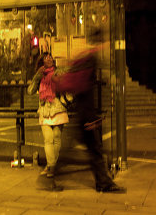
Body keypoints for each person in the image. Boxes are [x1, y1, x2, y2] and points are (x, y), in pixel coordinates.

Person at [56, 31, 126, 193]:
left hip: (85, 114)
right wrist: (90, 117)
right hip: (86, 116)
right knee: (94, 150)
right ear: (100, 42)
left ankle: (51, 175)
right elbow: (83, 87)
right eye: (106, 42)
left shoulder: (86, 57)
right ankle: (102, 183)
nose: (107, 45)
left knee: (84, 149)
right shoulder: (89, 58)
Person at [28, 52, 69, 191]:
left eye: (50, 57)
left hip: (58, 108)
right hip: (45, 110)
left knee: (57, 138)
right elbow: (30, 91)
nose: (49, 59)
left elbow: (66, 84)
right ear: (41, 62)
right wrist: (37, 76)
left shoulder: (58, 72)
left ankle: (50, 166)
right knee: (48, 139)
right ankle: (51, 166)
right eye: (46, 58)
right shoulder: (40, 76)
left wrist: (60, 79)